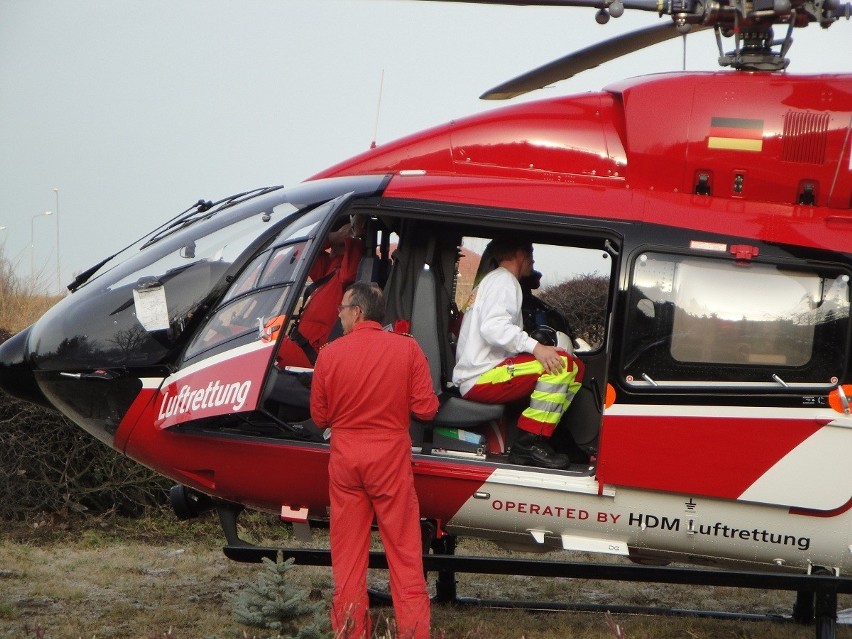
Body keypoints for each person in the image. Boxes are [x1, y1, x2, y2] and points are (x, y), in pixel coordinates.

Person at [310, 282, 438, 639]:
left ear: (358, 312)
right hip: (390, 464)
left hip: (346, 463)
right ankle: (413, 633)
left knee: (348, 563)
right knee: (406, 559)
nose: (339, 315)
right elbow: (426, 408)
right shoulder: (408, 349)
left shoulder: (329, 354)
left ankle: (351, 633)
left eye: (342, 309)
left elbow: (320, 418)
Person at [452, 238, 584, 469]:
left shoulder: (495, 281)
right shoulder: (504, 281)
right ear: (520, 253)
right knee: (562, 364)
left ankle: (549, 434)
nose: (533, 260)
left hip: (487, 370)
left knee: (575, 367)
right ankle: (527, 444)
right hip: (481, 376)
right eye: (531, 253)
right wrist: (536, 347)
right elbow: (494, 328)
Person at [277, 215, 366, 368]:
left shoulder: (347, 272)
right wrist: (333, 238)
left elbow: (350, 271)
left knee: (262, 347)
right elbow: (301, 249)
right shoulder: (330, 268)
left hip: (314, 354)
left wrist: (348, 238)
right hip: (301, 345)